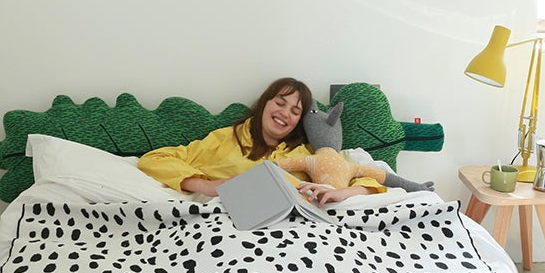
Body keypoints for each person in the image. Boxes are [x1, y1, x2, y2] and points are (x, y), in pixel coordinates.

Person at [137, 77, 384, 205]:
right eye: (280, 102)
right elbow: (155, 159)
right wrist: (210, 186)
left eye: (295, 111)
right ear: (265, 102)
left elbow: (362, 176)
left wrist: (340, 192)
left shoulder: (307, 153)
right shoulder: (224, 140)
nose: (285, 114)